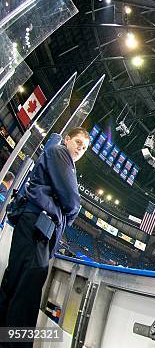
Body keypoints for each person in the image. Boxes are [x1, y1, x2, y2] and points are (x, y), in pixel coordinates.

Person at [0, 127, 90, 338]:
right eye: (78, 142)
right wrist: (69, 212)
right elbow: (72, 201)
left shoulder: (59, 157)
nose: (80, 148)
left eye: (84, 147)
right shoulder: (59, 153)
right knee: (27, 289)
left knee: (15, 283)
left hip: (34, 224)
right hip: (37, 228)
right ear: (67, 139)